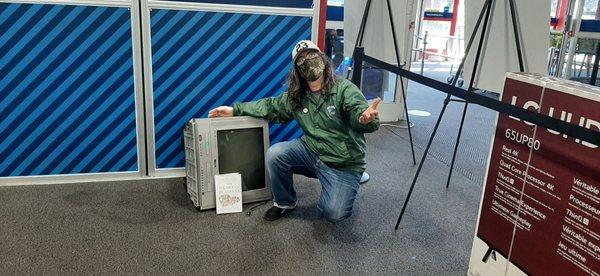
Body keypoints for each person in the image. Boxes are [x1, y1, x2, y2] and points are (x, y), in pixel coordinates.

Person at [209, 40, 380, 223]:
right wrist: (235, 110)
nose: (307, 61)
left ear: (322, 58)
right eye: (301, 60)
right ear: (297, 70)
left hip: (343, 163)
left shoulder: (344, 89)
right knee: (276, 154)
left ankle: (344, 182)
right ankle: (285, 202)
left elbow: (360, 114)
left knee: (333, 213)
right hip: (312, 151)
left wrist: (364, 119)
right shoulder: (297, 95)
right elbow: (270, 106)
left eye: (312, 55)